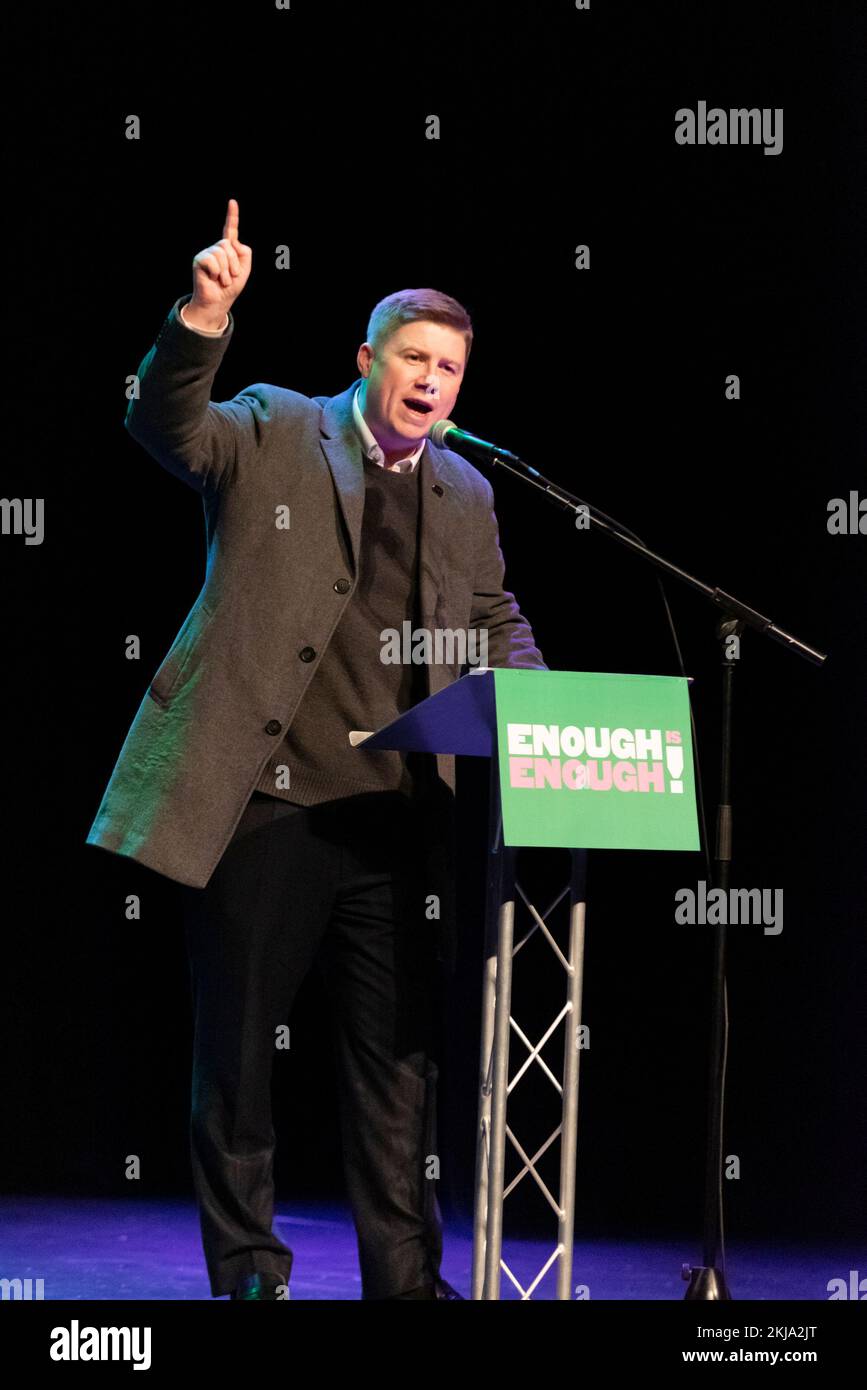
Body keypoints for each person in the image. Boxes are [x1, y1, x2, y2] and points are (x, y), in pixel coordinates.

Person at [86, 199, 547, 1300]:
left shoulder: (468, 491)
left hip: (396, 819)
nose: (432, 381)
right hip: (269, 804)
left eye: (450, 367)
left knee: (399, 1070)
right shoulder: (278, 426)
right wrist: (204, 314)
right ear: (367, 360)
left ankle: (406, 1281)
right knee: (237, 1054)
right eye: (413, 358)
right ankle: (250, 1269)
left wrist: (540, 709)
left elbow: (494, 620)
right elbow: (166, 427)